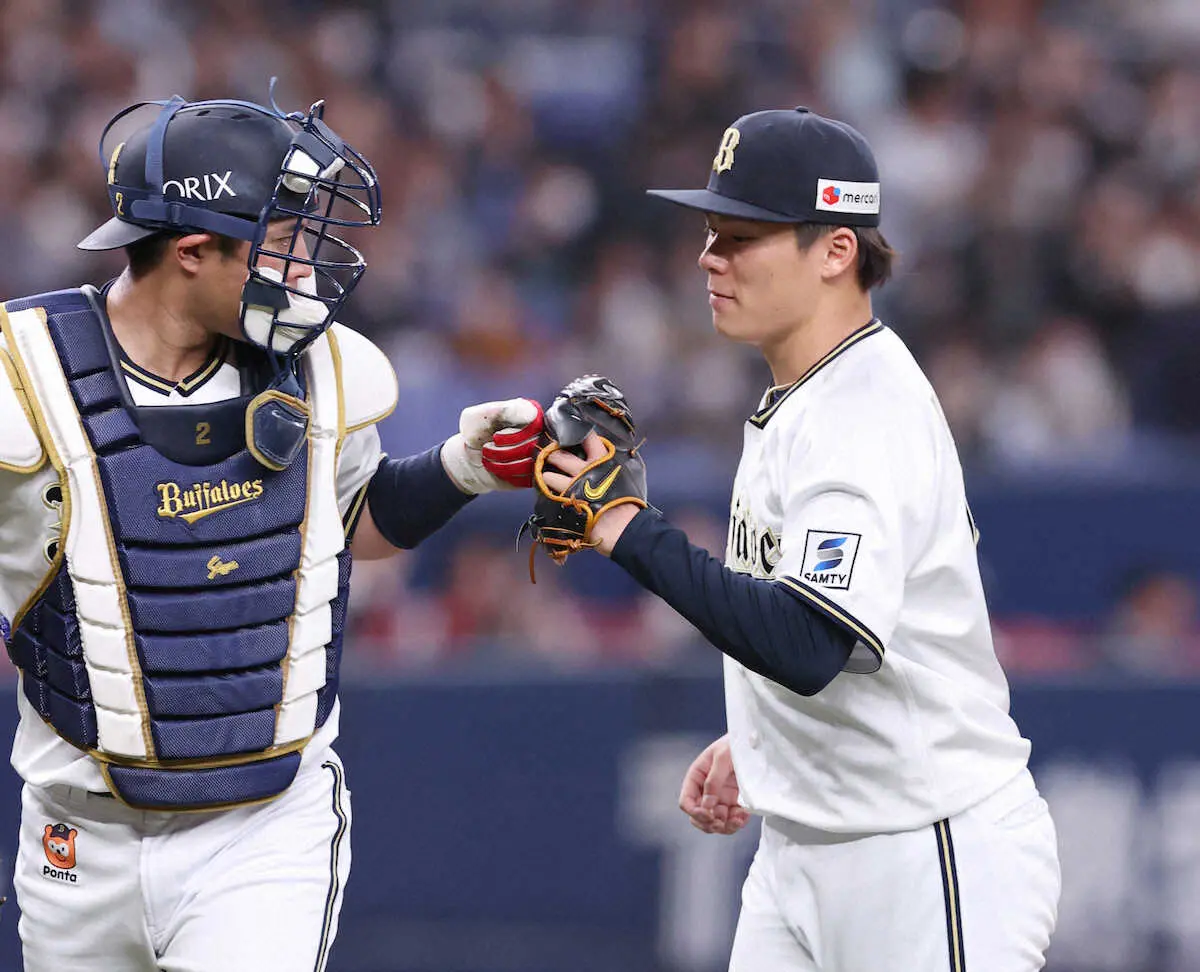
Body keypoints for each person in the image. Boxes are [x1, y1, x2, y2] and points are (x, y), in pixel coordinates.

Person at [0, 90, 543, 971]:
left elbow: (352, 525)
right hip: (76, 838)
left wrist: (463, 468)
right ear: (190, 251)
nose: (306, 267)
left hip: (262, 829)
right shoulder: (20, 377)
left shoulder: (324, 366)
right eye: (281, 239)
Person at [543, 108, 1061, 969]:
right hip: (807, 849)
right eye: (711, 232)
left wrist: (628, 528)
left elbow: (811, 640)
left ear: (836, 251)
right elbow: (828, 625)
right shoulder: (811, 392)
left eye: (743, 237)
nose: (710, 257)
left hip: (927, 852)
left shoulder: (861, 411)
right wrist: (767, 738)